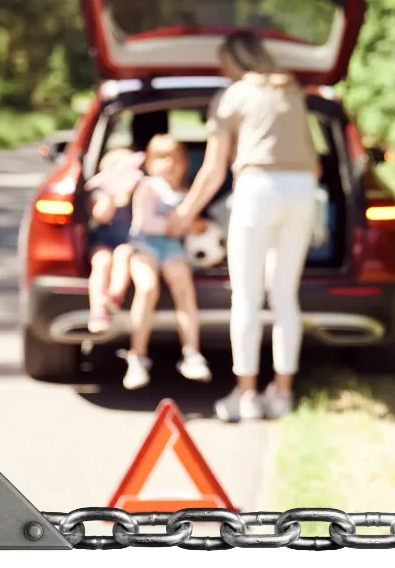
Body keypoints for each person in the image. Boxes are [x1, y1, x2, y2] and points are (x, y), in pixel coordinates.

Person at [167, 31, 322, 422]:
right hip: (302, 191)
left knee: (247, 296)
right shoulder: (291, 92)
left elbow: (214, 168)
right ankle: (282, 394)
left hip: (258, 190)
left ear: (234, 61)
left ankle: (247, 395)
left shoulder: (233, 96)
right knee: (285, 296)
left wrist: (186, 212)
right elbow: (317, 162)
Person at [119, 133, 213, 391]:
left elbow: (196, 225)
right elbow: (144, 222)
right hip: (143, 246)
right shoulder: (147, 187)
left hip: (172, 249)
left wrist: (194, 226)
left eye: (175, 159)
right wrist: (175, 226)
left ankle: (191, 354)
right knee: (147, 288)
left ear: (185, 164)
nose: (169, 165)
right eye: (161, 159)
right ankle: (137, 356)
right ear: (149, 163)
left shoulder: (185, 193)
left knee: (184, 288)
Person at [85, 148, 139, 334]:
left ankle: (114, 296)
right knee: (102, 262)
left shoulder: (140, 192)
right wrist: (112, 193)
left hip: (129, 242)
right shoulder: (101, 193)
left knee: (123, 255)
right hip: (104, 240)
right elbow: (101, 217)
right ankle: (98, 310)